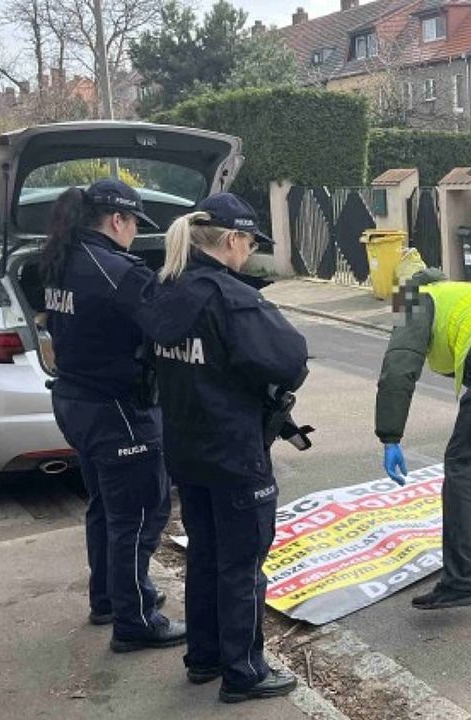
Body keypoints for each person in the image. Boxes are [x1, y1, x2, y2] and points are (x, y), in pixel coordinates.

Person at [137, 193, 308, 703]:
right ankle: (244, 671)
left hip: (185, 449)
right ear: (233, 238)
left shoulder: (161, 290)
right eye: (250, 242)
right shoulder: (231, 298)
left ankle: (205, 656)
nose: (250, 252)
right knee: (240, 565)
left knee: (206, 556)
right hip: (234, 453)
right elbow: (289, 359)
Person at [40, 179, 183, 652]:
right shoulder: (114, 269)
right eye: (134, 224)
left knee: (106, 507)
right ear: (118, 220)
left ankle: (108, 598)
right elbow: (169, 326)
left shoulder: (62, 258)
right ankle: (136, 620)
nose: (135, 233)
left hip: (75, 400)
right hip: (117, 408)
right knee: (141, 515)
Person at [375, 258, 471, 610]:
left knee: (464, 470)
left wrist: (390, 436)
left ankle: (462, 581)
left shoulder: (411, 296)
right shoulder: (461, 290)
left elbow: (399, 365)